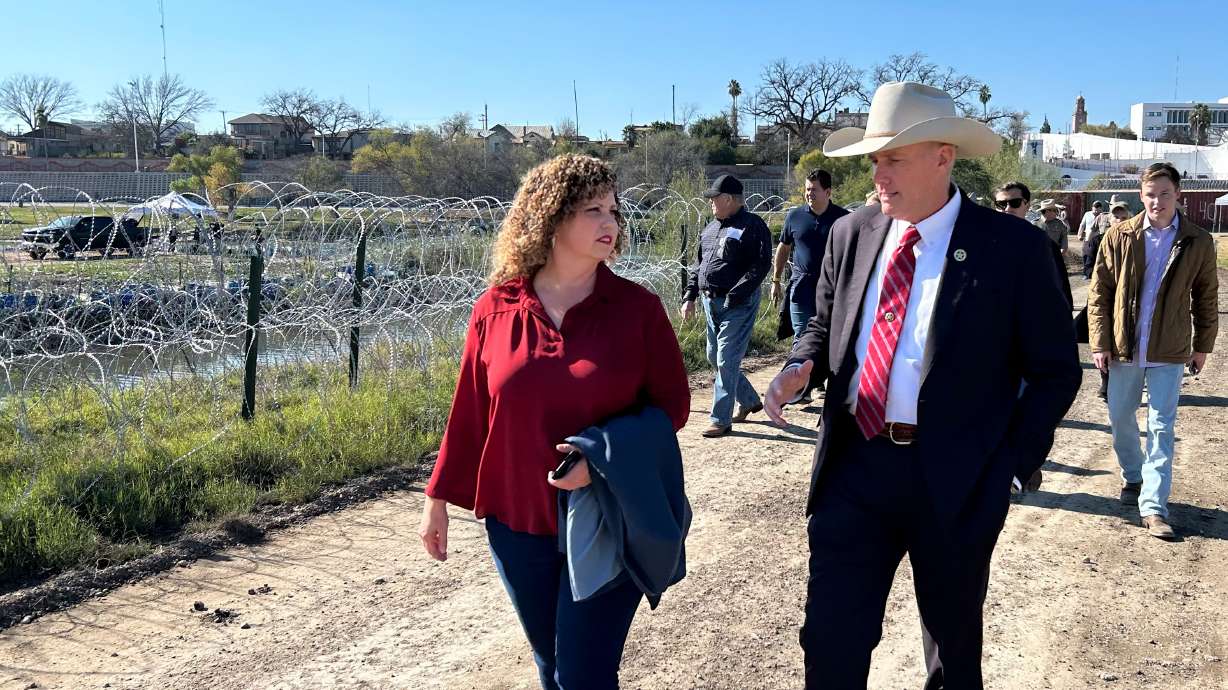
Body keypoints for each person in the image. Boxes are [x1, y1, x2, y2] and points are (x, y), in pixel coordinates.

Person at [763, 81, 1081, 688]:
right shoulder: (851, 234)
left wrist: (1010, 468)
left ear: (943, 157)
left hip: (956, 481)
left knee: (952, 656)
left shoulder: (1011, 249)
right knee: (830, 643)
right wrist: (801, 365)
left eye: (893, 158)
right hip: (855, 470)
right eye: (874, 159)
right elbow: (827, 326)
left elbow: (1054, 372)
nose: (877, 174)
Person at [419, 154, 691, 689]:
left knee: (584, 673)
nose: (610, 223)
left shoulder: (637, 310)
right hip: (516, 522)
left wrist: (602, 461)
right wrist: (437, 499)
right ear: (549, 217)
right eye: (593, 209)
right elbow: (471, 412)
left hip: (609, 514)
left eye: (614, 210)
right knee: (554, 666)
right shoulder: (494, 309)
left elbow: (672, 407)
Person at [1088, 161, 1219, 540]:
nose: (1157, 202)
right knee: (1120, 420)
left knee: (1162, 428)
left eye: (1164, 194)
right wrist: (1100, 342)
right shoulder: (1120, 235)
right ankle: (1133, 475)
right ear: (1140, 195)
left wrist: (1202, 345)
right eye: (1150, 195)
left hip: (1171, 349)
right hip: (1125, 347)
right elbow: (1100, 293)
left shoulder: (1197, 240)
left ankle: (1154, 507)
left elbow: (1206, 297)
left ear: (1178, 194)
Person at [681, 174, 774, 438]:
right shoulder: (710, 229)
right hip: (711, 302)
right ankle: (748, 400)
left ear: (729, 199)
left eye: (714, 198)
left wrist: (737, 293)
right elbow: (699, 266)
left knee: (725, 359)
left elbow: (761, 265)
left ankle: (720, 420)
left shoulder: (752, 225)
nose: (710, 202)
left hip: (739, 304)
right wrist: (690, 296)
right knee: (715, 357)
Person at [772, 169, 849, 402]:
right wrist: (776, 280)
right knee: (801, 336)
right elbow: (783, 248)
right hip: (801, 286)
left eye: (814, 190)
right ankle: (801, 385)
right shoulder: (795, 217)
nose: (809, 194)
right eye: (806, 189)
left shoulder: (843, 220)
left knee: (831, 336)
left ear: (828, 191)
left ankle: (819, 378)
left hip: (832, 289)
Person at [993, 181, 1073, 308]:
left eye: (1015, 203)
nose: (1007, 209)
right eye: (1001, 204)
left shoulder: (1044, 244)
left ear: (1027, 205)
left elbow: (1062, 294)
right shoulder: (982, 244)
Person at [1079, 200, 1105, 277]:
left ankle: (1093, 273)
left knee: (1095, 256)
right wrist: (1079, 234)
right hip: (1087, 238)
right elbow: (1082, 225)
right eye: (1094, 209)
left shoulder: (1103, 216)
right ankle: (1086, 273)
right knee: (1085, 255)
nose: (1096, 211)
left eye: (1097, 209)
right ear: (1092, 208)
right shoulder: (1087, 214)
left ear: (1101, 209)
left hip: (1097, 240)